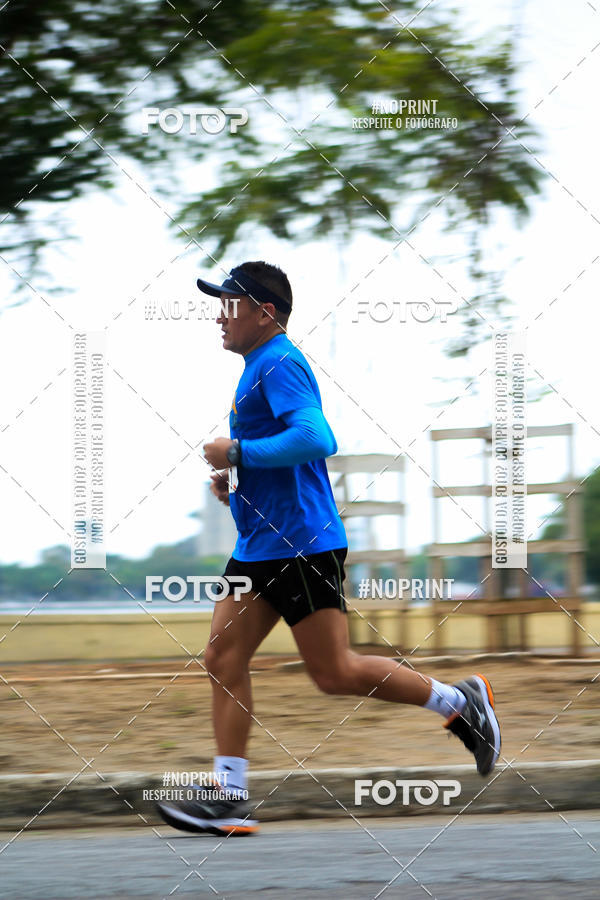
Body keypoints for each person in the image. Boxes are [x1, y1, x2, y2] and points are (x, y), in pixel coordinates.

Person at [156, 261, 501, 836]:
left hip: (302, 547)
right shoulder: (258, 367)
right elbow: (287, 454)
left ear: (265, 312)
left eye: (230, 303)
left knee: (335, 672)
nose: (220, 314)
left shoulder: (281, 362)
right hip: (261, 545)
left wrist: (238, 453)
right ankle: (230, 796)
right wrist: (240, 487)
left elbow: (317, 438)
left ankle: (460, 704)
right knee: (222, 658)